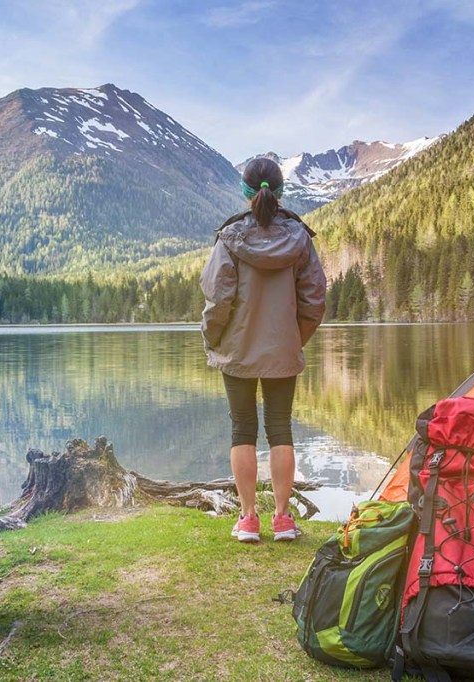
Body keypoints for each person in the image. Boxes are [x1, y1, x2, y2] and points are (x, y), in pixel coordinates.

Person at [200, 157, 327, 543]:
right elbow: (315, 299)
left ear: (245, 192)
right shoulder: (300, 238)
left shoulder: (230, 237)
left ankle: (248, 519)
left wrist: (213, 337)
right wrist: (293, 337)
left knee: (242, 429)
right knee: (281, 428)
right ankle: (284, 520)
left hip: (237, 350)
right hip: (282, 349)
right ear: (279, 190)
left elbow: (217, 298)